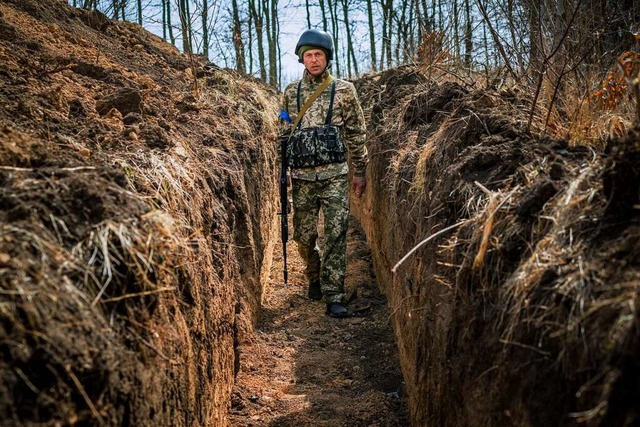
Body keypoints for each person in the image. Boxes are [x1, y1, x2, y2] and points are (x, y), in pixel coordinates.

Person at [280, 28, 368, 318]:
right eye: (308, 55)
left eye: (318, 54)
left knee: (336, 234)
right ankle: (314, 274)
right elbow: (283, 134)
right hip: (303, 178)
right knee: (303, 237)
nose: (314, 59)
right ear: (302, 59)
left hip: (335, 176)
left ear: (327, 57)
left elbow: (356, 132)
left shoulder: (344, 91)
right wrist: (282, 171)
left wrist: (361, 171)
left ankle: (334, 295)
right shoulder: (291, 93)